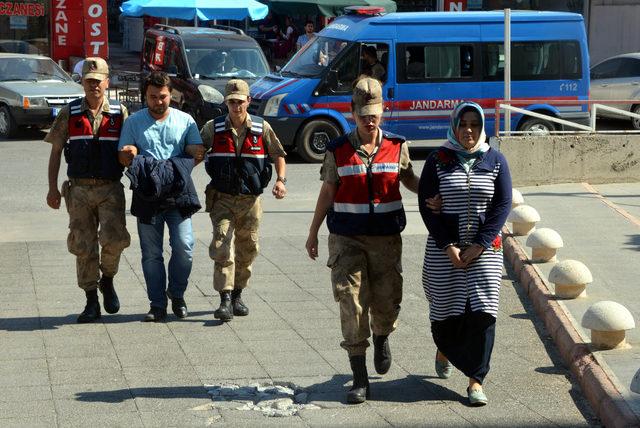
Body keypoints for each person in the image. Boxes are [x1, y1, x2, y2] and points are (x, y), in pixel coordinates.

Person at [305, 77, 419, 404]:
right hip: (346, 239)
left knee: (386, 300)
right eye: (363, 115)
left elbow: (409, 178)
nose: (370, 121)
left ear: (383, 111)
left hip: (386, 240)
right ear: (351, 113)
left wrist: (436, 193)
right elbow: (328, 191)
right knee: (350, 302)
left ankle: (382, 336)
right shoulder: (338, 150)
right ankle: (359, 377)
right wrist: (313, 232)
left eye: (375, 114)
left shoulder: (397, 146)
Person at [418, 101, 512, 406]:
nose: (469, 130)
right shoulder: (438, 160)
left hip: (485, 251)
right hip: (446, 251)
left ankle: (476, 380)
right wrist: (449, 245)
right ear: (454, 126)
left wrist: (480, 244)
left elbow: (502, 205)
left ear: (481, 126)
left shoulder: (495, 160)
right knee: (445, 312)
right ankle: (444, 348)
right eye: (463, 124)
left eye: (474, 124)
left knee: (484, 313)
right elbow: (426, 205)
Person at [45, 57, 131, 323]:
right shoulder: (70, 112)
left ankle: (107, 278)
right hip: (79, 190)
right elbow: (56, 150)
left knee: (115, 240)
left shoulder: (120, 112)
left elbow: (131, 148)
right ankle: (91, 299)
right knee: (83, 245)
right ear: (82, 82)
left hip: (110, 188)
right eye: (89, 81)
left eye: (98, 81)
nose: (94, 86)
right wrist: (52, 189)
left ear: (107, 82)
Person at [118, 71, 205, 322]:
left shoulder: (185, 120)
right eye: (153, 97)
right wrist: (129, 153)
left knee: (185, 246)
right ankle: (157, 304)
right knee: (151, 253)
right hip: (147, 196)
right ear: (145, 95)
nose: (158, 101)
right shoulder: (133, 122)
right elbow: (123, 155)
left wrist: (187, 159)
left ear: (171, 95)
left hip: (179, 195)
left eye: (163, 96)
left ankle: (177, 294)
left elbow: (195, 152)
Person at [199, 79, 287, 322]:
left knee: (248, 249)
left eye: (240, 101)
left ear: (248, 101)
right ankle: (225, 299)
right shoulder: (212, 128)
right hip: (222, 199)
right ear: (226, 103)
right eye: (231, 102)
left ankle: (238, 294)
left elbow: (278, 154)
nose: (236, 106)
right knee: (221, 246)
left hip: (250, 201)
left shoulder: (261, 128)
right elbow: (196, 151)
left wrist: (281, 180)